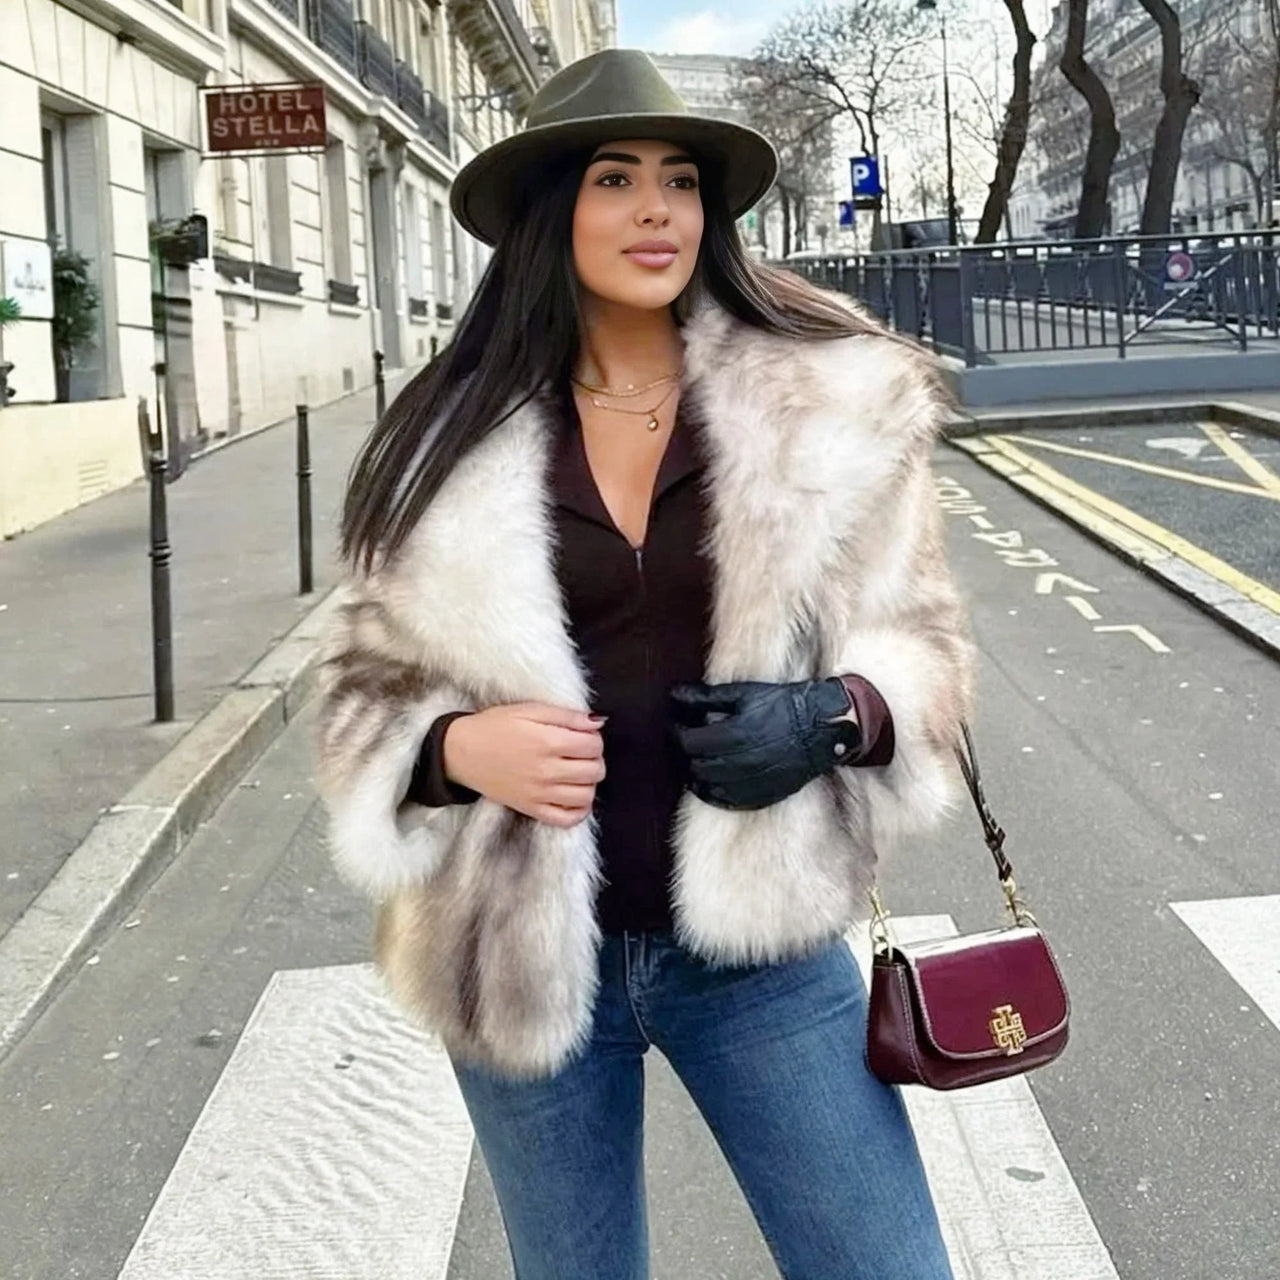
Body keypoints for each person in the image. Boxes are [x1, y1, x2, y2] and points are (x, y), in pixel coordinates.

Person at [316, 48, 973, 1280]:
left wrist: (839, 711)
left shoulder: (826, 408)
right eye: (615, 177)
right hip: (514, 950)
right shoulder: (444, 436)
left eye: (679, 180)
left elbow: (925, 641)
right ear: (548, 210)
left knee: (885, 1264)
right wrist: (450, 749)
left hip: (760, 953)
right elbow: (360, 687)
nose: (656, 208)